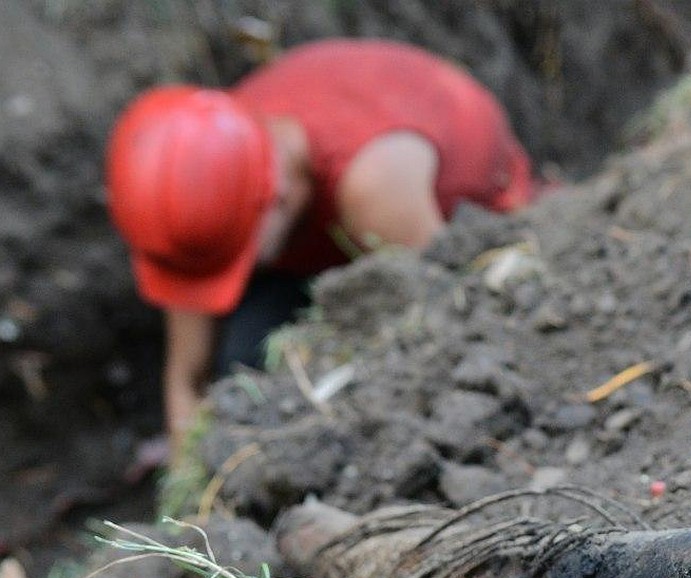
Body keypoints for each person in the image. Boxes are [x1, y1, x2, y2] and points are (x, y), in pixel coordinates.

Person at [105, 39, 537, 457]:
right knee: (242, 362)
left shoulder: (375, 186)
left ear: (277, 198)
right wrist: (183, 517)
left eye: (234, 260)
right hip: (317, 235)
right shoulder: (198, 179)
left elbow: (450, 323)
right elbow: (188, 377)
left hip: (435, 225)